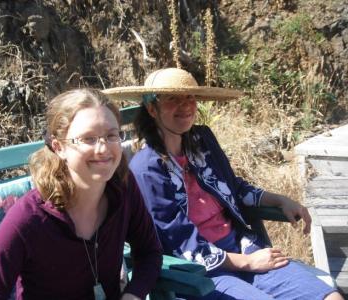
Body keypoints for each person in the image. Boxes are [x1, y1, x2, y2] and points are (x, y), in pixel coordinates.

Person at [103, 68, 343, 300]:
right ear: (151, 108)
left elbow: (233, 188)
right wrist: (247, 263)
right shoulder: (147, 169)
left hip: (242, 246)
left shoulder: (201, 140)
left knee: (330, 296)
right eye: (172, 99)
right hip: (200, 271)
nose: (185, 105)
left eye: (189, 97)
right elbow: (177, 240)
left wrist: (279, 200)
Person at [0, 88, 163, 300]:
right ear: (59, 147)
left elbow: (149, 252)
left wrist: (133, 294)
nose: (103, 148)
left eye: (111, 135)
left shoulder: (123, 188)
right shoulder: (28, 218)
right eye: (88, 139)